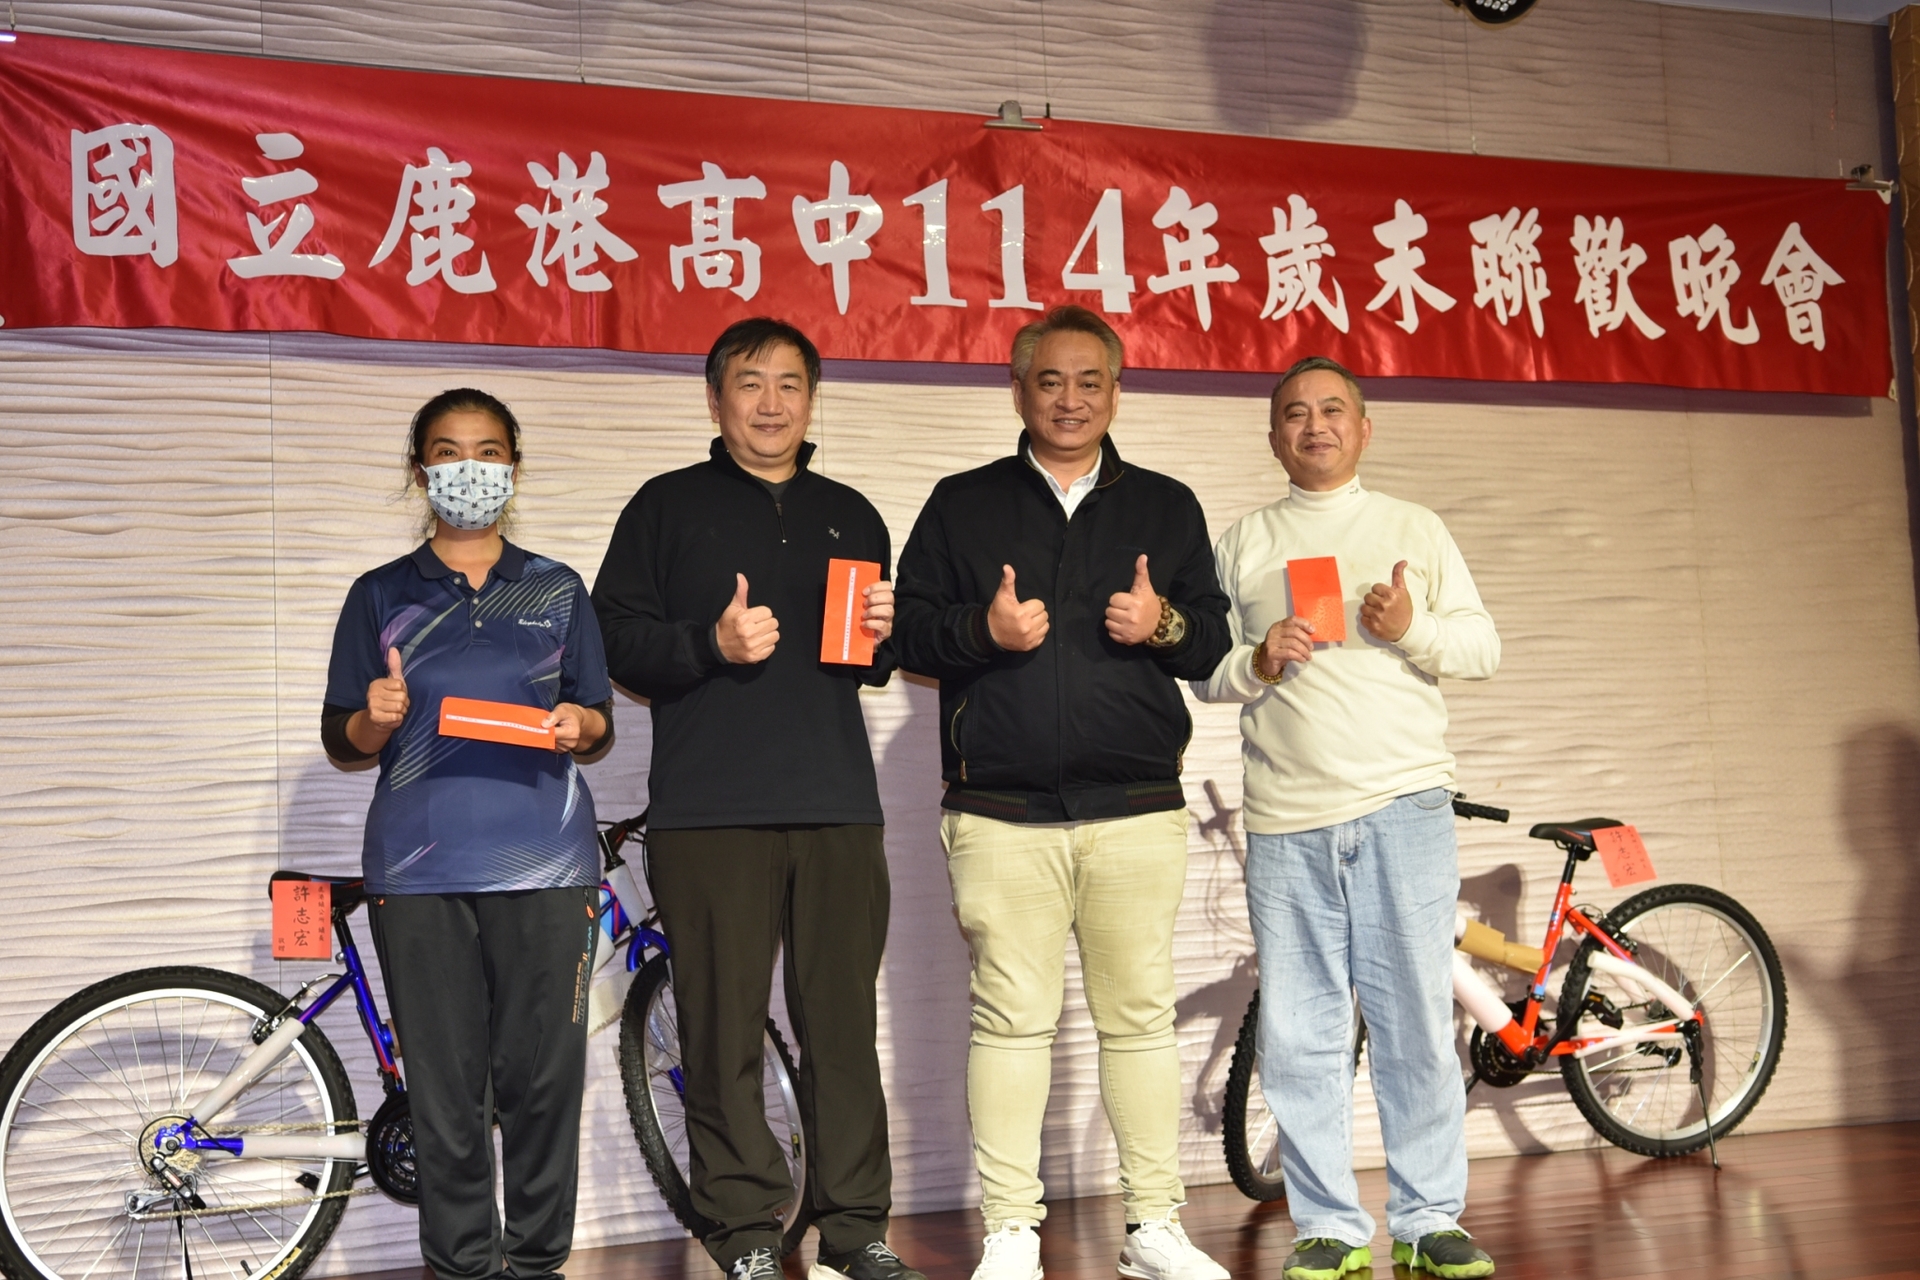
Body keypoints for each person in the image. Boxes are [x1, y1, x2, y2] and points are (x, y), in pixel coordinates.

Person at [892, 306, 1233, 1280]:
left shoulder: (1165, 505)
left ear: (1117, 393)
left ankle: (1154, 1225)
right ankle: (1011, 1231)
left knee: (1140, 1020)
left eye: (1090, 382)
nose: (1070, 399)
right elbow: (904, 633)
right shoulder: (963, 502)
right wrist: (984, 632)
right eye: (1050, 381)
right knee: (1010, 1022)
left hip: (1136, 808)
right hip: (1000, 812)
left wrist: (1163, 622)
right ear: (1019, 390)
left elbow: (1211, 640)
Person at [591, 319, 920, 1280]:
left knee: (842, 1029)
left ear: (811, 399)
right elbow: (615, 642)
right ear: (715, 398)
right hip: (709, 812)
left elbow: (863, 660)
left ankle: (855, 1227)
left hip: (837, 805)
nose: (770, 403)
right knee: (720, 1028)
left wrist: (887, 633)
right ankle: (742, 1230)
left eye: (789, 384)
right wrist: (709, 644)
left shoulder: (851, 513)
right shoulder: (665, 507)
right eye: (749, 382)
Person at [1192, 357, 1501, 1280]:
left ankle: (1429, 1218)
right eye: (1295, 413)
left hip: (1404, 806)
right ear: (1273, 435)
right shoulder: (1243, 541)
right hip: (1287, 820)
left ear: (1364, 429)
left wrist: (1411, 628)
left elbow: (1481, 646)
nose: (1315, 425)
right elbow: (1206, 673)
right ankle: (1326, 1224)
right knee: (1299, 1033)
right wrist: (1258, 660)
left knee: (1415, 1023)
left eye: (1333, 410)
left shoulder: (1414, 527)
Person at [321, 388, 614, 1280]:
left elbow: (596, 716)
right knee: (446, 1094)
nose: (468, 470)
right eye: (448, 453)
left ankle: (538, 1263)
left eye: (487, 452)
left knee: (543, 1085)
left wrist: (579, 725)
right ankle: (459, 1267)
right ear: (420, 473)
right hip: (419, 871)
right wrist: (374, 716)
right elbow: (342, 739)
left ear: (514, 467)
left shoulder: (557, 588)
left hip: (549, 865)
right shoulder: (380, 595)